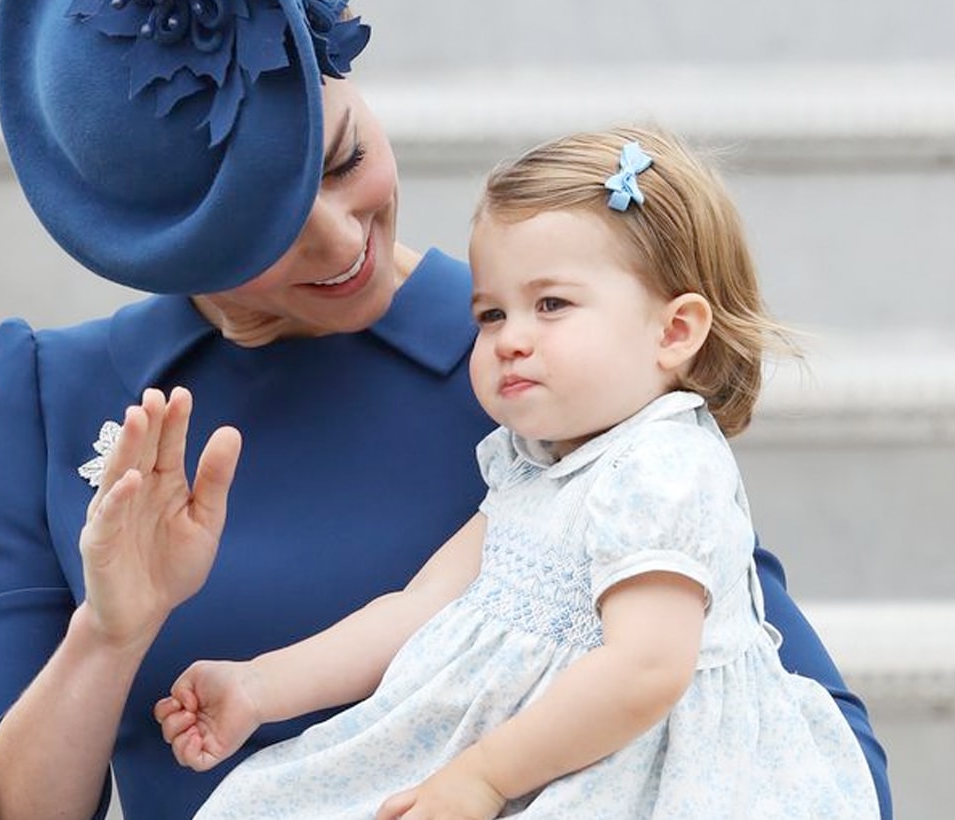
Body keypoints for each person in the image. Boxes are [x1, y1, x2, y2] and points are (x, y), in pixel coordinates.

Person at [0, 2, 891, 818]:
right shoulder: (59, 395)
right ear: (170, 250)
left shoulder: (573, 377)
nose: (344, 241)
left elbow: (782, 716)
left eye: (344, 160)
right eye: (274, 231)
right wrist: (112, 634)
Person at [152, 127, 881, 819]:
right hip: (514, 756)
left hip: (638, 775)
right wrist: (261, 685)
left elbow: (647, 670)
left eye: (551, 305)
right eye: (491, 314)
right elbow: (419, 607)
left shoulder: (662, 466)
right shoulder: (529, 465)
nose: (510, 340)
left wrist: (484, 776)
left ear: (674, 331)